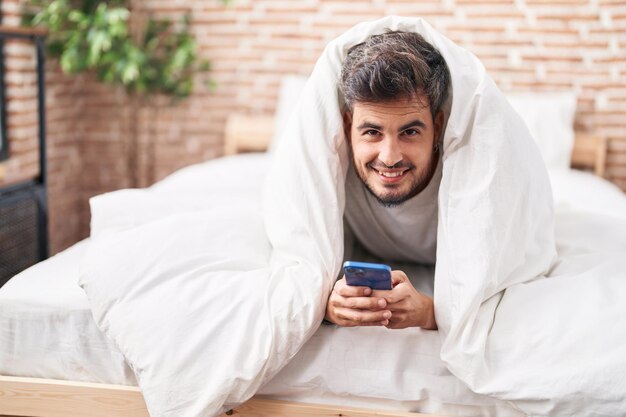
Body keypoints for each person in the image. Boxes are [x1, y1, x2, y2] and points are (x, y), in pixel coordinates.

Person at [324, 30, 451, 331]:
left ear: (438, 127)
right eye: (372, 132)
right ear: (347, 126)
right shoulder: (330, 172)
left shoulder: (469, 176)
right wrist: (327, 305)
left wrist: (430, 312)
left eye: (409, 132)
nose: (390, 157)